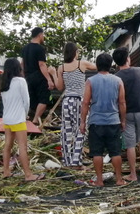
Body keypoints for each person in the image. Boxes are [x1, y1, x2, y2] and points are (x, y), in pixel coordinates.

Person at [80, 52, 127, 187]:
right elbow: (122, 103)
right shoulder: (118, 81)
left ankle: (99, 181)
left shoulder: (90, 81)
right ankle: (119, 179)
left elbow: (85, 103)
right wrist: (123, 120)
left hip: (96, 122)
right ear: (110, 65)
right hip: (113, 121)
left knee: (97, 152)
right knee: (115, 152)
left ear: (97, 65)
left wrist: (83, 122)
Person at [113, 46, 140, 182]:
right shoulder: (139, 71)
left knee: (130, 143)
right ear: (127, 59)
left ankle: (133, 174)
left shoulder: (115, 77)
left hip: (126, 113)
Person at [0, 58, 43, 181]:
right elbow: (26, 101)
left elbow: (4, 103)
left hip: (7, 119)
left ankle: (6, 171)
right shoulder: (20, 81)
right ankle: (28, 175)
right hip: (18, 119)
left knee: (7, 146)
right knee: (22, 147)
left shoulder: (4, 83)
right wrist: (25, 114)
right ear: (18, 68)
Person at [55, 42, 97, 170]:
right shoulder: (82, 64)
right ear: (75, 52)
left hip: (67, 101)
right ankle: (76, 161)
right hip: (80, 101)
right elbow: (98, 66)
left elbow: (60, 87)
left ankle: (67, 162)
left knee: (66, 132)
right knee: (81, 130)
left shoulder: (61, 68)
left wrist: (53, 74)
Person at [21, 27, 56, 126]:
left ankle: (31, 121)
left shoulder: (25, 48)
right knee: (44, 98)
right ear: (40, 35)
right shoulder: (39, 48)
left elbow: (22, 64)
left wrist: (24, 77)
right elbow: (42, 64)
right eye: (43, 35)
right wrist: (49, 79)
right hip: (38, 77)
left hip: (28, 77)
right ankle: (36, 120)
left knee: (33, 100)